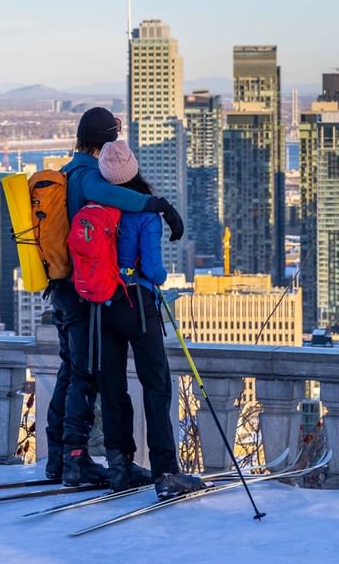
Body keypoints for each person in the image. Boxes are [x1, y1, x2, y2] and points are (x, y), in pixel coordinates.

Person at [46, 107, 185, 487]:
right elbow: (106, 194)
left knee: (74, 373)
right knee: (85, 377)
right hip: (91, 293)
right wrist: (155, 204)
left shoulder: (66, 171)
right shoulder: (91, 177)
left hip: (67, 288)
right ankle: (77, 462)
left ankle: (62, 458)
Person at [96, 139, 205, 498]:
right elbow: (156, 272)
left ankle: (119, 465)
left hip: (102, 305)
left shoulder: (96, 206)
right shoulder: (146, 213)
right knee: (156, 386)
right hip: (138, 306)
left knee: (113, 386)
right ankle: (165, 472)